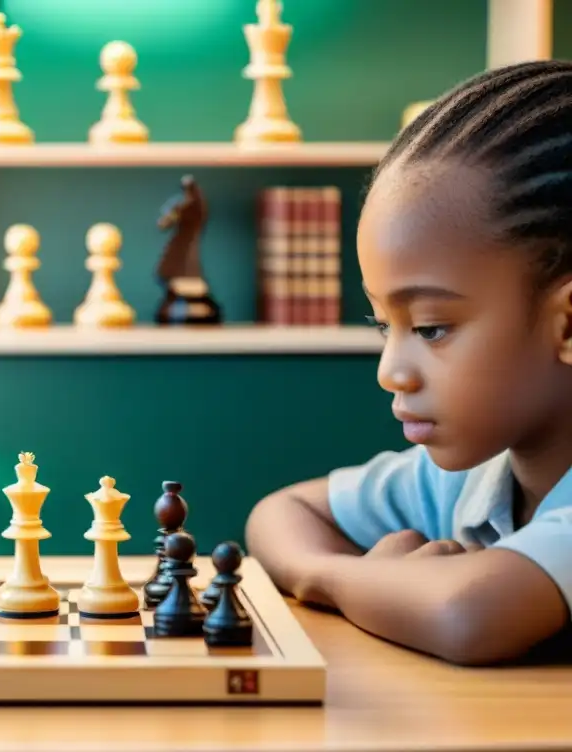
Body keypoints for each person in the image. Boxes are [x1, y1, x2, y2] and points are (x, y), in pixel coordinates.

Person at [245, 60, 572, 666]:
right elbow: (279, 514)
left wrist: (344, 583)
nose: (391, 371)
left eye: (430, 327)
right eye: (382, 326)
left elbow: (468, 616)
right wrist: (349, 575)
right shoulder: (464, 481)